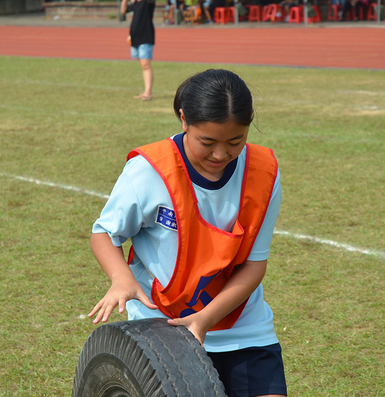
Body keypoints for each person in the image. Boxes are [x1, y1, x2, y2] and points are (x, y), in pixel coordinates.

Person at [88, 69, 287, 397]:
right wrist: (121, 279)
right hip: (161, 332)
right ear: (184, 120)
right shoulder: (149, 172)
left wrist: (205, 319)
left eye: (235, 141)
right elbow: (104, 233)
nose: (220, 155)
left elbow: (254, 264)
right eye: (207, 142)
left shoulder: (264, 172)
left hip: (244, 330)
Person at [121, 0, 155, 101]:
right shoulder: (135, 3)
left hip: (146, 37)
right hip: (135, 38)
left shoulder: (147, 2)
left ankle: (148, 92)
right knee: (143, 65)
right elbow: (123, 11)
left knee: (146, 64)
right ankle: (146, 91)